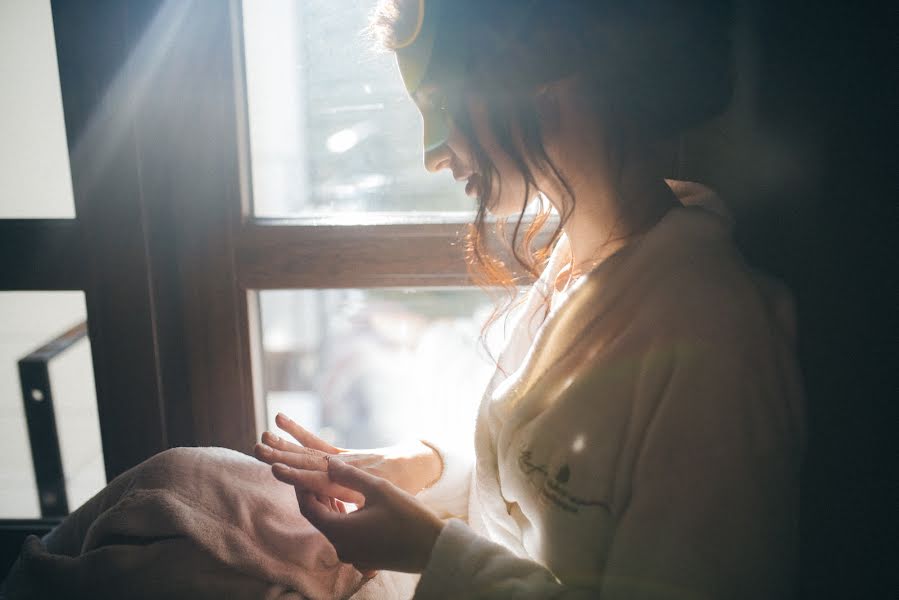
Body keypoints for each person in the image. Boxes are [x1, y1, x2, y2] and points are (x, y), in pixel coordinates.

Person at [252, 0, 806, 599]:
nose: (432, 153)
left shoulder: (715, 348)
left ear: (543, 73)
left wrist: (429, 551)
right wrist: (426, 469)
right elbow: (536, 491)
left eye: (441, 102)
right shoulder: (575, 266)